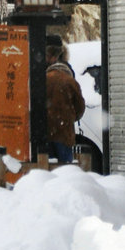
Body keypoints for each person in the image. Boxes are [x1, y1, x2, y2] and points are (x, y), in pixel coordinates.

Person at [45, 38, 85, 166]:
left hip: (44, 132)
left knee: (46, 169)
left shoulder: (42, 78)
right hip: (64, 133)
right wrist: (69, 117)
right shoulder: (70, 81)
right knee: (66, 169)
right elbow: (80, 108)